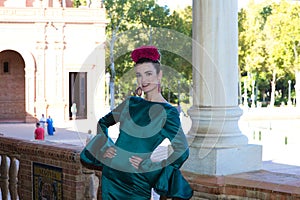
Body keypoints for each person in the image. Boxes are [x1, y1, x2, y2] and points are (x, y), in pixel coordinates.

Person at [83, 46, 192, 199]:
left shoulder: (168, 113)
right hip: (111, 176)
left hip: (135, 183)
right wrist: (104, 149)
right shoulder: (131, 103)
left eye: (148, 74)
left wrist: (150, 166)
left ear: (159, 75)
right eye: (139, 75)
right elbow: (103, 122)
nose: (143, 80)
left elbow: (182, 151)